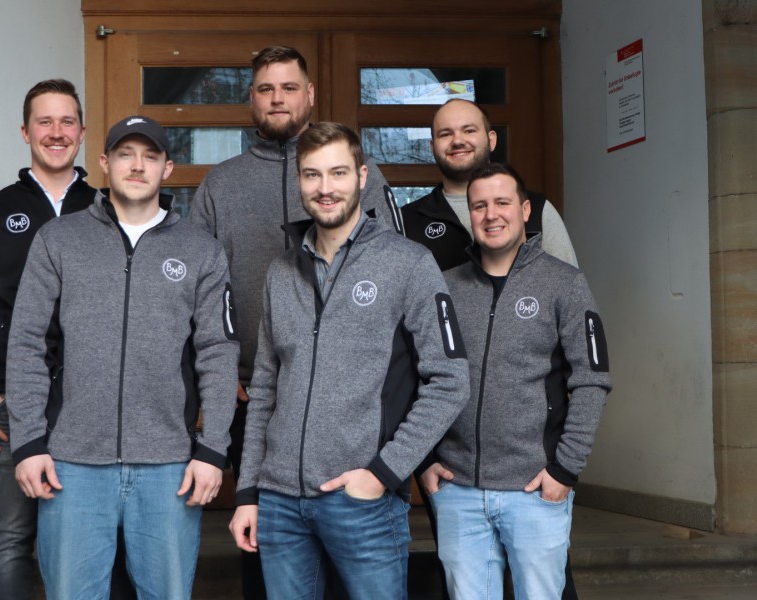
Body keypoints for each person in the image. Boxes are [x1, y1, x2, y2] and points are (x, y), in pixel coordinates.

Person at [189, 45, 399, 599]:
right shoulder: (220, 184)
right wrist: (219, 377)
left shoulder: (362, 178)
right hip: (252, 395)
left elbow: (396, 277)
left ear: (310, 94)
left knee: (351, 550)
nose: (277, 98)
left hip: (353, 401)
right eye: (265, 89)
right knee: (266, 550)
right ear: (251, 99)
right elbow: (197, 293)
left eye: (288, 87)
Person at [229, 122, 470, 600]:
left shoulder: (409, 263)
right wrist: (249, 491)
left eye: (338, 173)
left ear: (361, 177)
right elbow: (265, 389)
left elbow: (450, 380)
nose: (325, 188)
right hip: (280, 501)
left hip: (361, 501)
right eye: (312, 175)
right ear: (299, 181)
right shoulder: (281, 271)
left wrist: (383, 473)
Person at [6, 115, 240, 599]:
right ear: (104, 163)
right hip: (71, 464)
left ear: (167, 169)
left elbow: (218, 353)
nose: (137, 166)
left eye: (150, 156)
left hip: (168, 466)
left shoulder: (200, 250)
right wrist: (28, 442)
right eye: (126, 154)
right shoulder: (59, 239)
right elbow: (27, 342)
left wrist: (213, 450)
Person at [421, 163, 611, 600]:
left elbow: (592, 379)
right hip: (458, 491)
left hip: (535, 489)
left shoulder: (565, 284)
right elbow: (421, 375)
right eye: (479, 206)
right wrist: (425, 460)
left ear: (525, 211)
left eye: (502, 203)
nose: (491, 215)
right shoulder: (444, 288)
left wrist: (564, 469)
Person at [0, 78, 101, 599]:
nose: (56, 132)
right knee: (12, 536)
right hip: (12, 399)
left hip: (93, 403)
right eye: (44, 121)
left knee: (90, 536)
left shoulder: (106, 207)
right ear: (25, 131)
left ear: (82, 131)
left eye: (67, 121)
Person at [401, 98, 577, 270]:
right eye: (446, 134)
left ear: (491, 140)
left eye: (469, 130)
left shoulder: (536, 208)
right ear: (432, 147)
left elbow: (568, 283)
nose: (458, 141)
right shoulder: (407, 221)